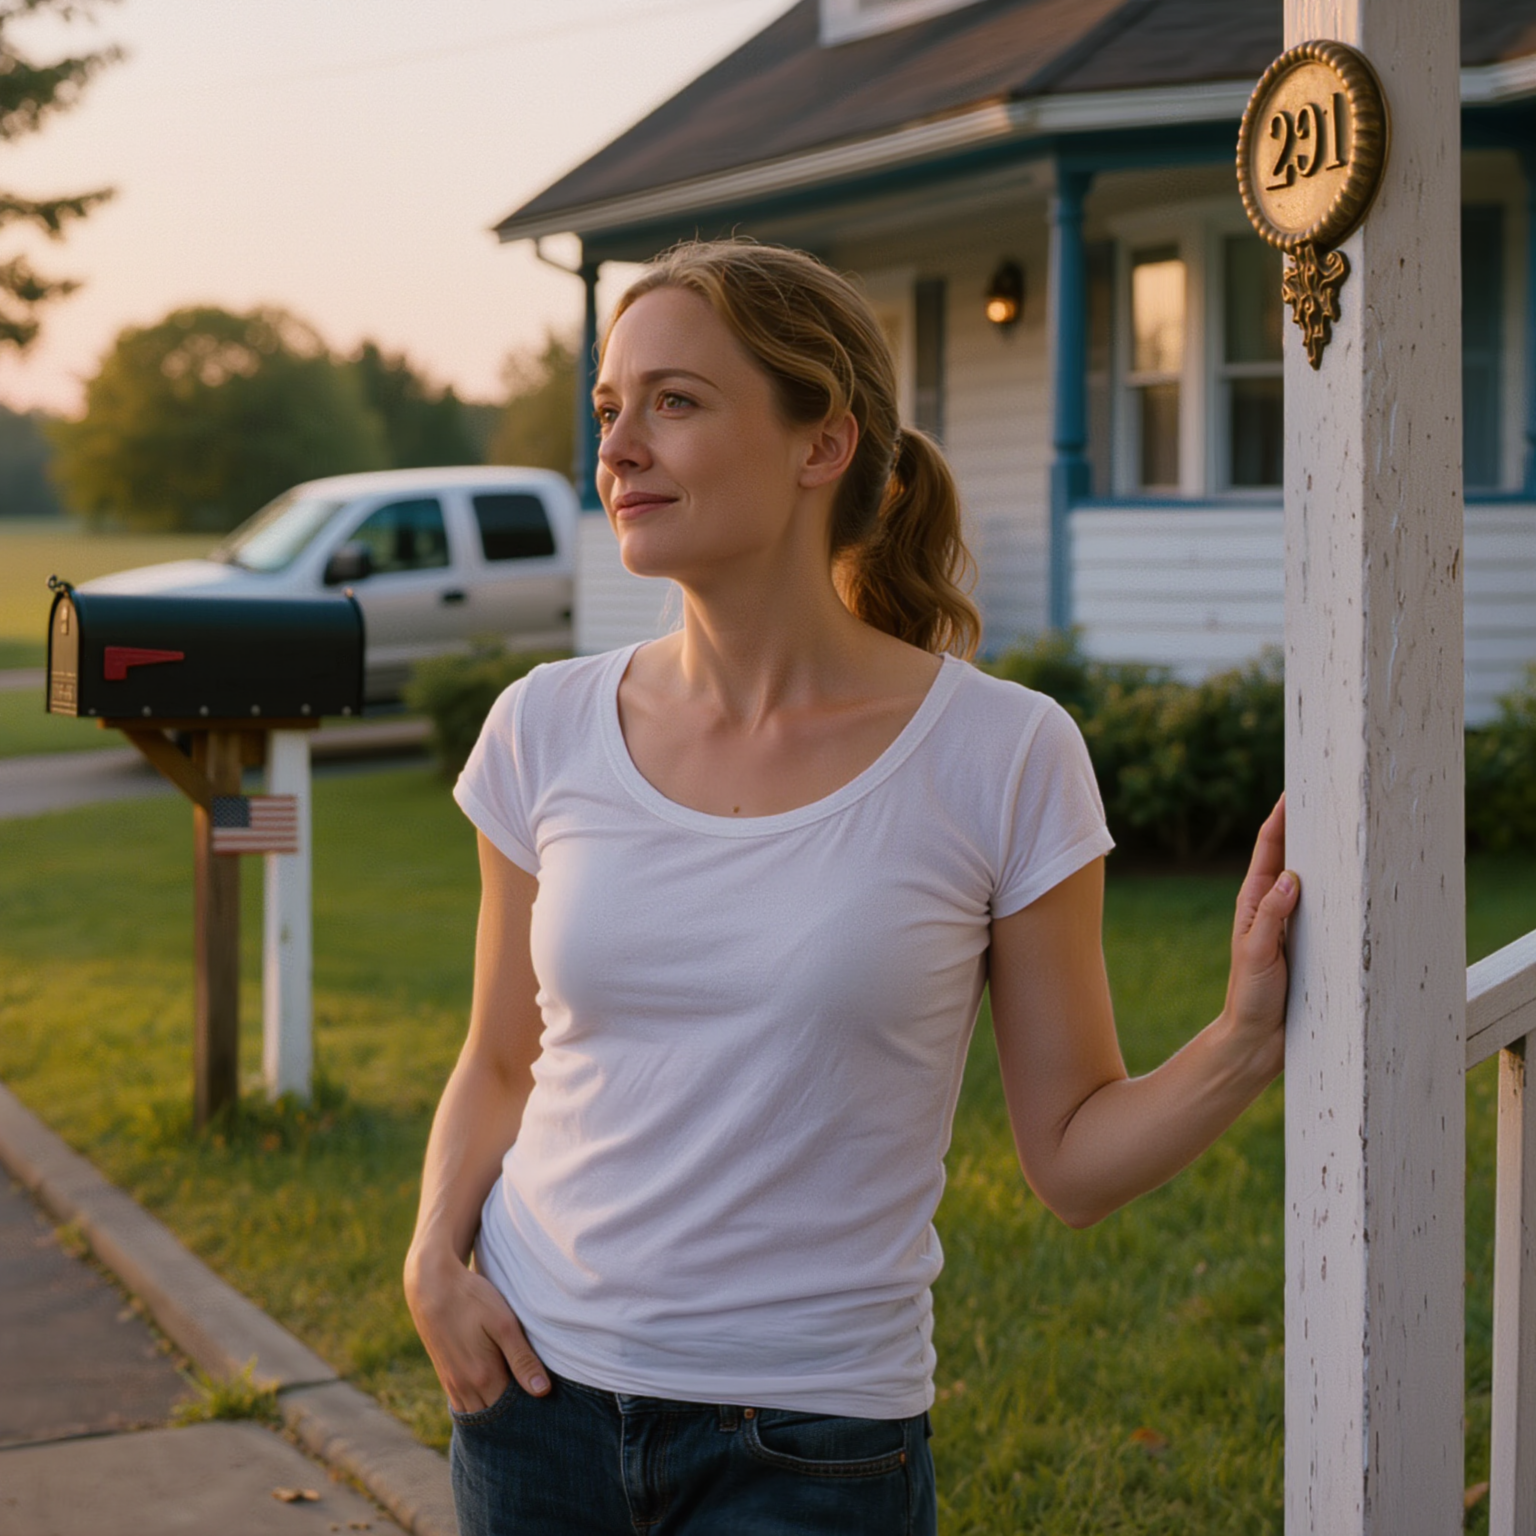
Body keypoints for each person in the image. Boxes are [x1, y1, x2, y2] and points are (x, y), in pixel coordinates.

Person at [403, 239, 1298, 1536]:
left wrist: (1240, 1044)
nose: (620, 447)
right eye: (609, 409)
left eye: (676, 401)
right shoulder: (542, 728)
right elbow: (499, 1060)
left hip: (812, 1448)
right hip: (532, 1405)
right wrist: (434, 1255)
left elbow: (1071, 1163)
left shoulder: (1002, 755)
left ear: (824, 441)